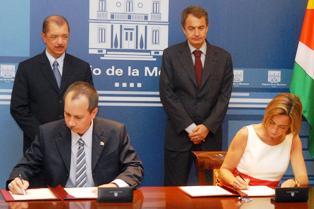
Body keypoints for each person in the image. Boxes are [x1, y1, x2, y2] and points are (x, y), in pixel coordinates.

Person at [7, 81, 143, 194]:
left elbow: (134, 167)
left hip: (100, 202)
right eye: (67, 114)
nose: (70, 122)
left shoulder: (114, 132)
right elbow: (25, 166)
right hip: (60, 203)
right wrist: (17, 180)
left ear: (93, 112)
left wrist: (114, 186)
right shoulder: (48, 133)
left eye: (78, 117)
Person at [159, 5, 233, 186]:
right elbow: (167, 94)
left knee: (210, 192)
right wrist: (190, 127)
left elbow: (224, 97)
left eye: (201, 28)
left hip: (210, 137)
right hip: (179, 135)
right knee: (173, 191)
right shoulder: (170, 55)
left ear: (207, 27)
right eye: (191, 28)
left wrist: (206, 127)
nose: (197, 33)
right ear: (183, 29)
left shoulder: (223, 58)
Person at [10, 15, 93, 153]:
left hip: (73, 144)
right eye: (54, 36)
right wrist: (43, 136)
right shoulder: (27, 68)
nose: (60, 42)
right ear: (44, 37)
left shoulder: (82, 68)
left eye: (64, 36)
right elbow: (18, 108)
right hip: (37, 146)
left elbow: (90, 105)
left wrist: (75, 132)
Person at [219, 93, 308, 189]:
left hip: (270, 198)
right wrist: (235, 182)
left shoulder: (292, 139)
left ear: (291, 126)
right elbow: (224, 170)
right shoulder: (246, 134)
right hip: (239, 194)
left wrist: (295, 182)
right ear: (267, 115)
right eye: (271, 123)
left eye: (282, 127)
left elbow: (303, 178)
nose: (274, 130)